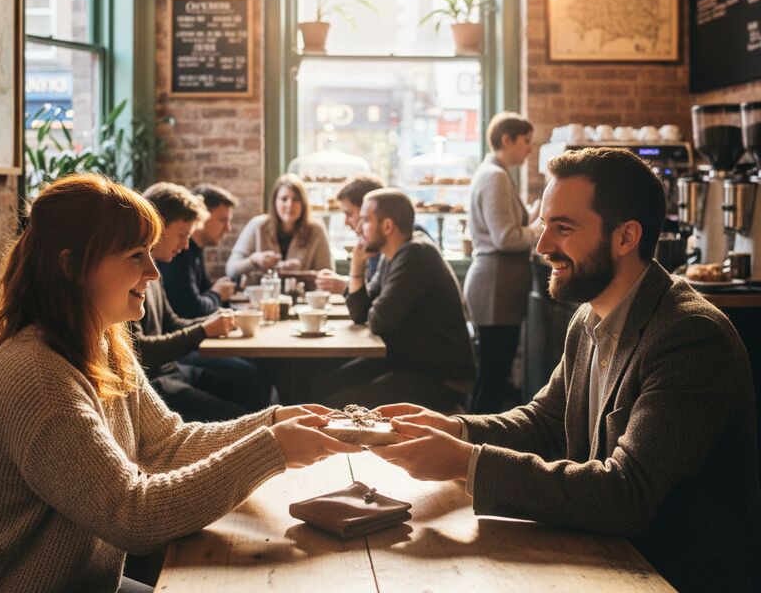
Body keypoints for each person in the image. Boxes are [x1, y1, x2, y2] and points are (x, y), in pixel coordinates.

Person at [369, 148, 761, 592]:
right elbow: (545, 422)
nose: (542, 246)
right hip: (604, 558)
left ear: (626, 237)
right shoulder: (589, 316)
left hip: (671, 575)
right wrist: (455, 429)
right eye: (543, 225)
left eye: (563, 228)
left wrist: (467, 461)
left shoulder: (690, 336)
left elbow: (625, 494)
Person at [0, 174, 357, 593]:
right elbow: (133, 515)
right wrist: (272, 449)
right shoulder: (38, 377)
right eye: (136, 255)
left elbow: (166, 443)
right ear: (72, 266)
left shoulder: (103, 341)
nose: (153, 271)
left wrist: (272, 422)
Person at [313, 188, 475, 411]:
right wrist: (356, 266)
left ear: (387, 226)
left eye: (365, 221)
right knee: (322, 385)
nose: (358, 229)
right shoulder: (392, 255)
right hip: (407, 363)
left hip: (440, 379)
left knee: (333, 405)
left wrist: (368, 301)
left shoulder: (415, 254)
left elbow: (379, 321)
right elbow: (361, 313)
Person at [139, 182, 270, 421]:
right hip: (152, 383)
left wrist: (213, 321)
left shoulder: (154, 267)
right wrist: (204, 329)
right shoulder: (135, 273)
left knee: (252, 384)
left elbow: (170, 321)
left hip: (172, 369)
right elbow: (141, 351)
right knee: (243, 417)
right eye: (182, 235)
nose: (186, 245)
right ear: (156, 225)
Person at [464, 112, 542, 413]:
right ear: (506, 140)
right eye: (526, 141)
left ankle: (472, 443)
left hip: (496, 284)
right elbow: (505, 238)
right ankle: (475, 446)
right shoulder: (495, 176)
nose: (529, 149)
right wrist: (537, 230)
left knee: (491, 375)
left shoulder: (492, 173)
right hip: (495, 286)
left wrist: (530, 220)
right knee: (493, 377)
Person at [227, 173, 333, 279]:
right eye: (284, 199)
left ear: (303, 204)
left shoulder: (316, 230)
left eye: (296, 199)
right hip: (262, 294)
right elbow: (231, 269)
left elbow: (327, 275)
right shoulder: (257, 225)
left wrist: (301, 275)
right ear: (275, 202)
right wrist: (254, 260)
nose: (290, 205)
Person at [159, 183, 238, 318]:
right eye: (223, 220)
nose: (228, 228)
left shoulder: (195, 250)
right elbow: (191, 309)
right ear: (203, 217)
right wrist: (218, 294)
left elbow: (206, 296)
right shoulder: (176, 252)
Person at [316, 174, 384, 294]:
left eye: (349, 214)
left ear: (368, 209)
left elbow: (377, 299)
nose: (346, 222)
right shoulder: (375, 244)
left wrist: (345, 286)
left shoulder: (400, 248)